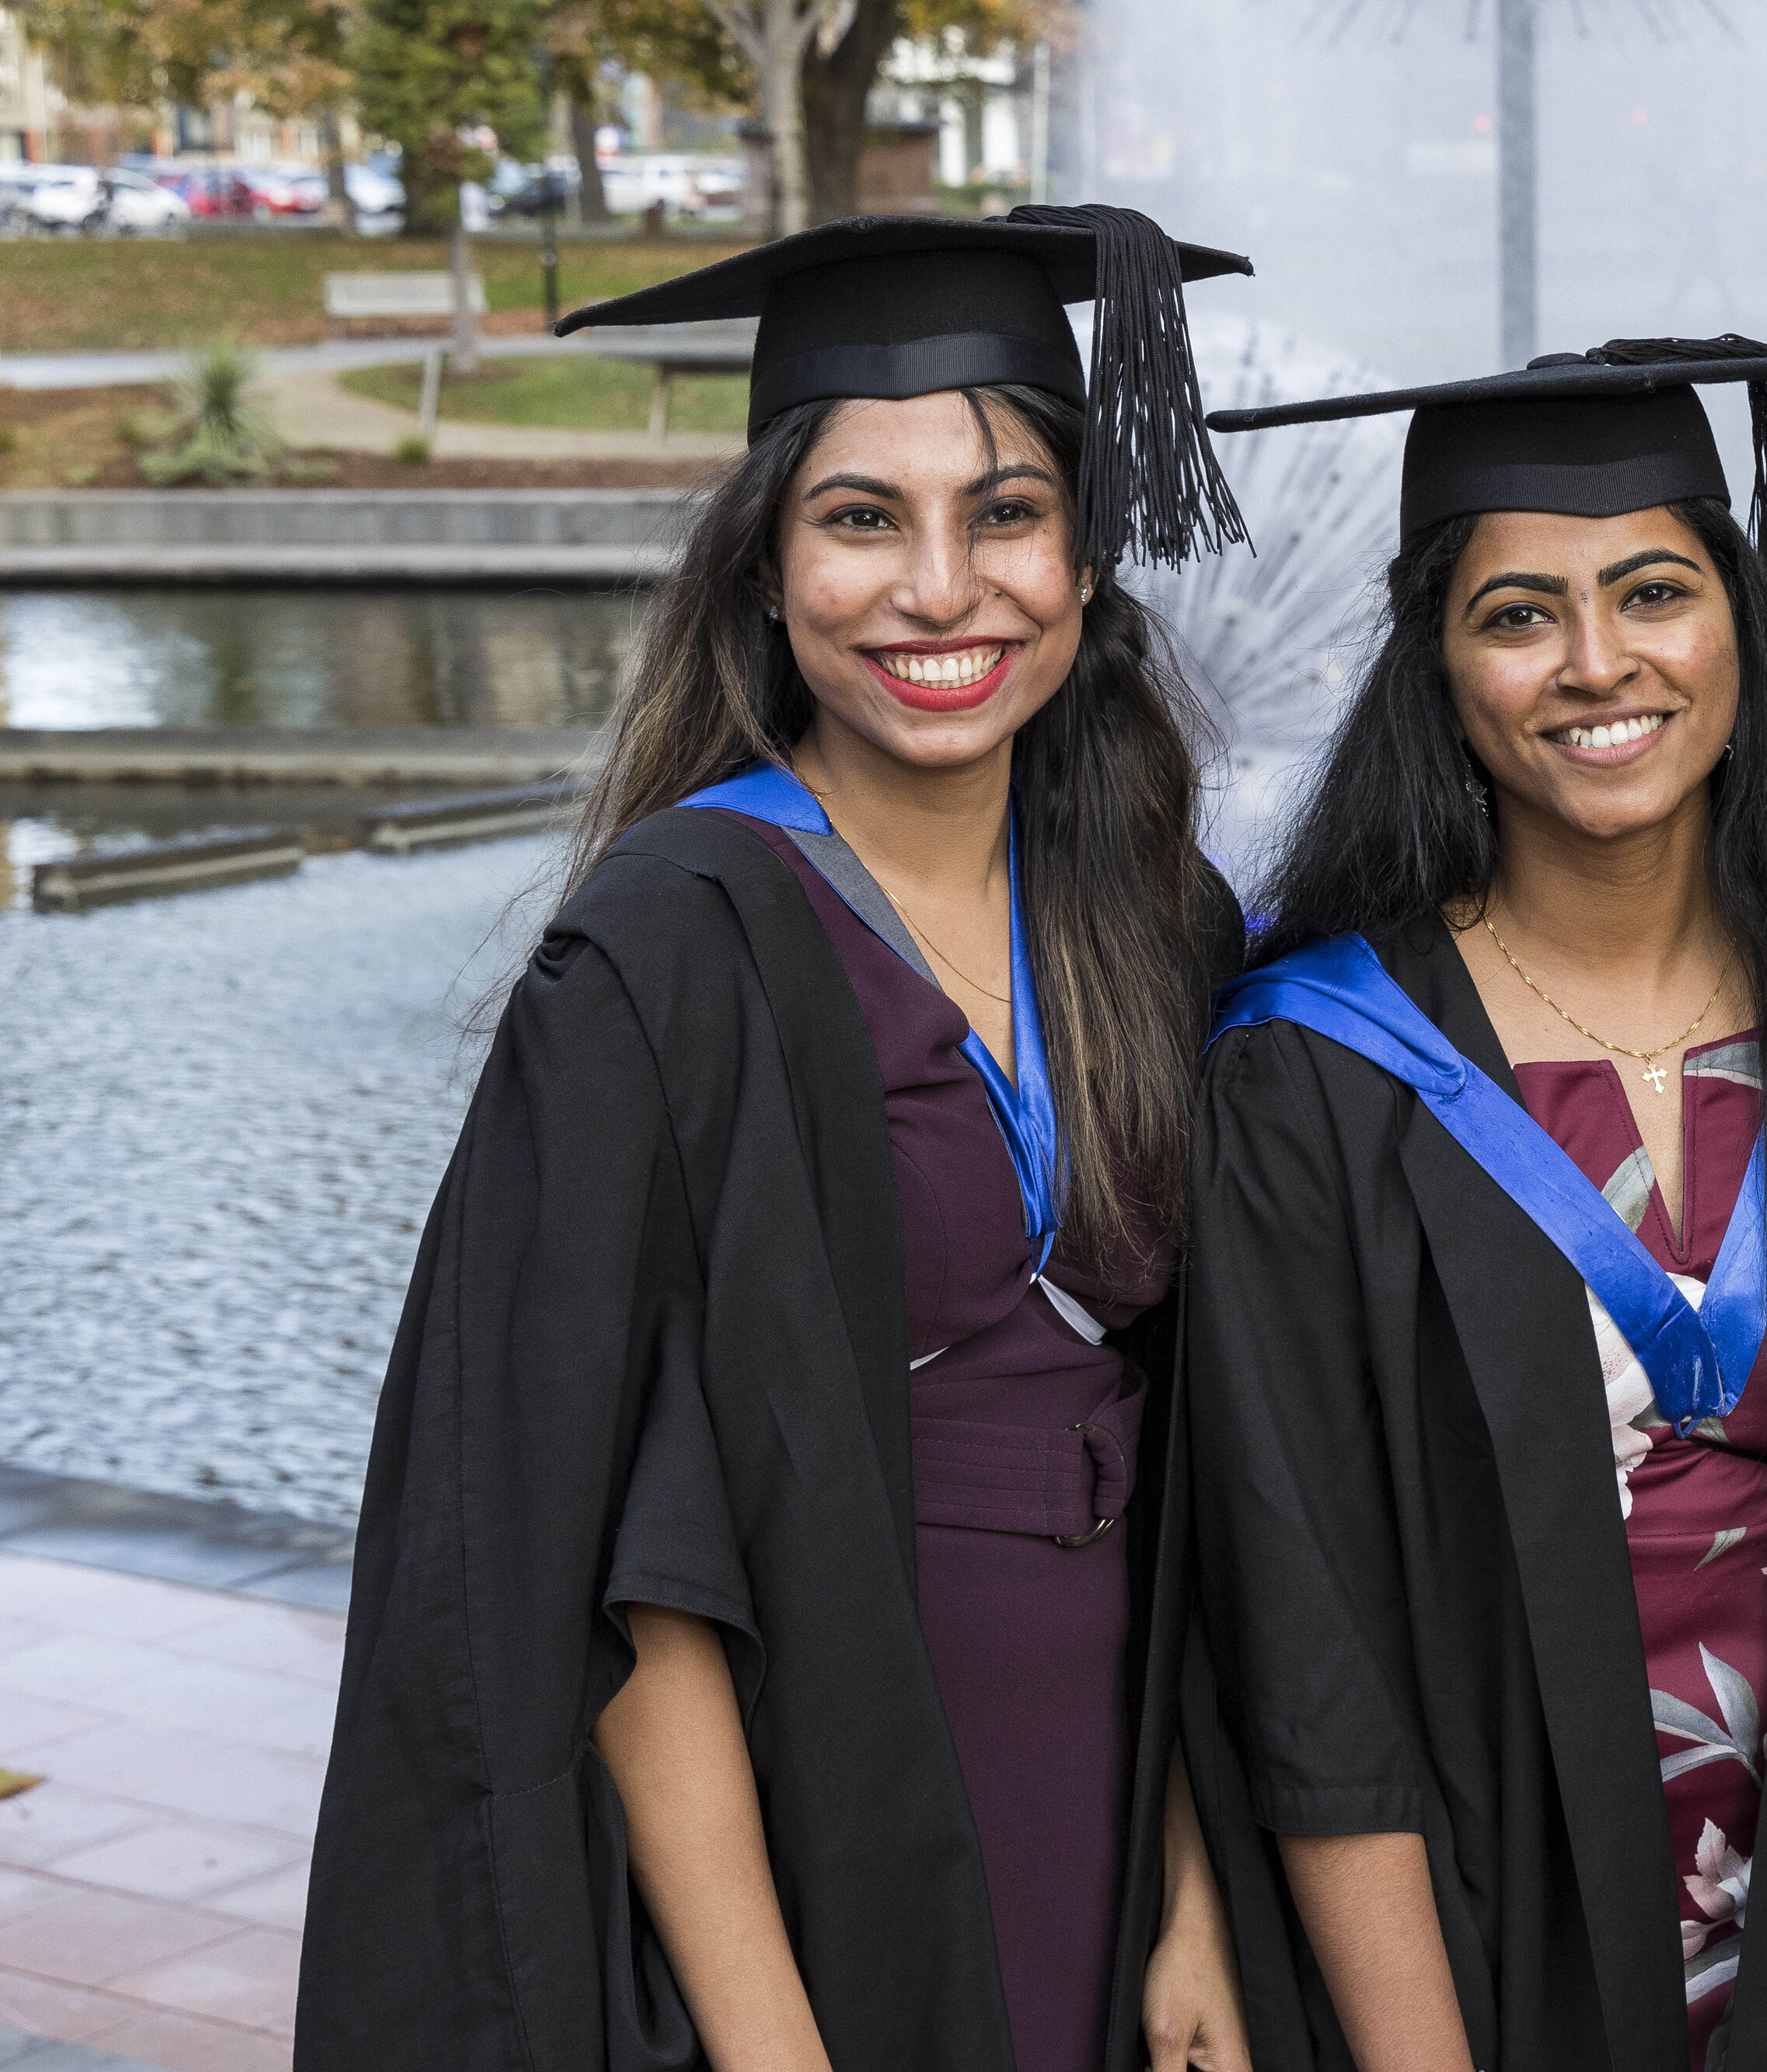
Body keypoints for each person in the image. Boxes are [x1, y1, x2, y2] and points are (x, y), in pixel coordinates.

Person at [297, 207, 1261, 2072]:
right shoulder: (675, 947)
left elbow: (1203, 1455)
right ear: (762, 565)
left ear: (1082, 548)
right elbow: (622, 1560)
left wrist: (1196, 1904)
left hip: (1120, 1790)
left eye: (1003, 512)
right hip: (820, 1812)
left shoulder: (1157, 914)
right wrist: (768, 2039)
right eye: (859, 518)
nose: (940, 589)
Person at [1179, 339, 1767, 2072]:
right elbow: (1307, 1644)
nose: (1596, 663)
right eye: (1516, 613)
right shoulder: (1318, 1073)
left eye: (1654, 592)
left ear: (1739, 623)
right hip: (1489, 1944)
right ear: (1437, 671)